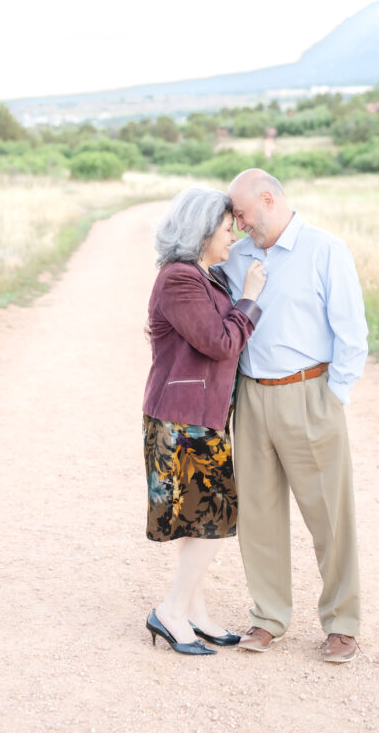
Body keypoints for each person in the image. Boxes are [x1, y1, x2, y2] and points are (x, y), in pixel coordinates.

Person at [219, 168, 368, 663]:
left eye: (241, 213)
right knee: (258, 514)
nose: (237, 225)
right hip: (251, 396)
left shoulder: (325, 250)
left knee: (329, 515)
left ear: (268, 199)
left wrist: (334, 396)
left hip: (309, 394)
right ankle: (267, 617)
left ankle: (342, 623)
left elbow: (352, 332)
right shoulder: (235, 257)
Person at [142, 186, 266, 656]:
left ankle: (194, 610)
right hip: (182, 420)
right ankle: (171, 611)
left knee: (199, 519)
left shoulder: (203, 275)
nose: (233, 235)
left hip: (198, 416)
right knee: (214, 518)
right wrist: (251, 298)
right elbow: (220, 343)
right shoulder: (179, 278)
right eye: (226, 227)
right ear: (202, 230)